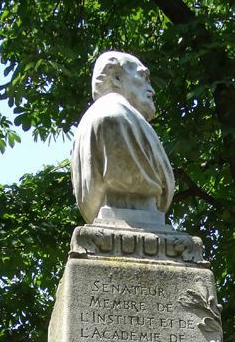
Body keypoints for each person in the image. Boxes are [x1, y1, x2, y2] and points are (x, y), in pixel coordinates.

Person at [71, 51, 175, 225]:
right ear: (116, 77)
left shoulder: (97, 121)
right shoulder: (113, 118)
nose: (152, 90)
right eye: (144, 77)